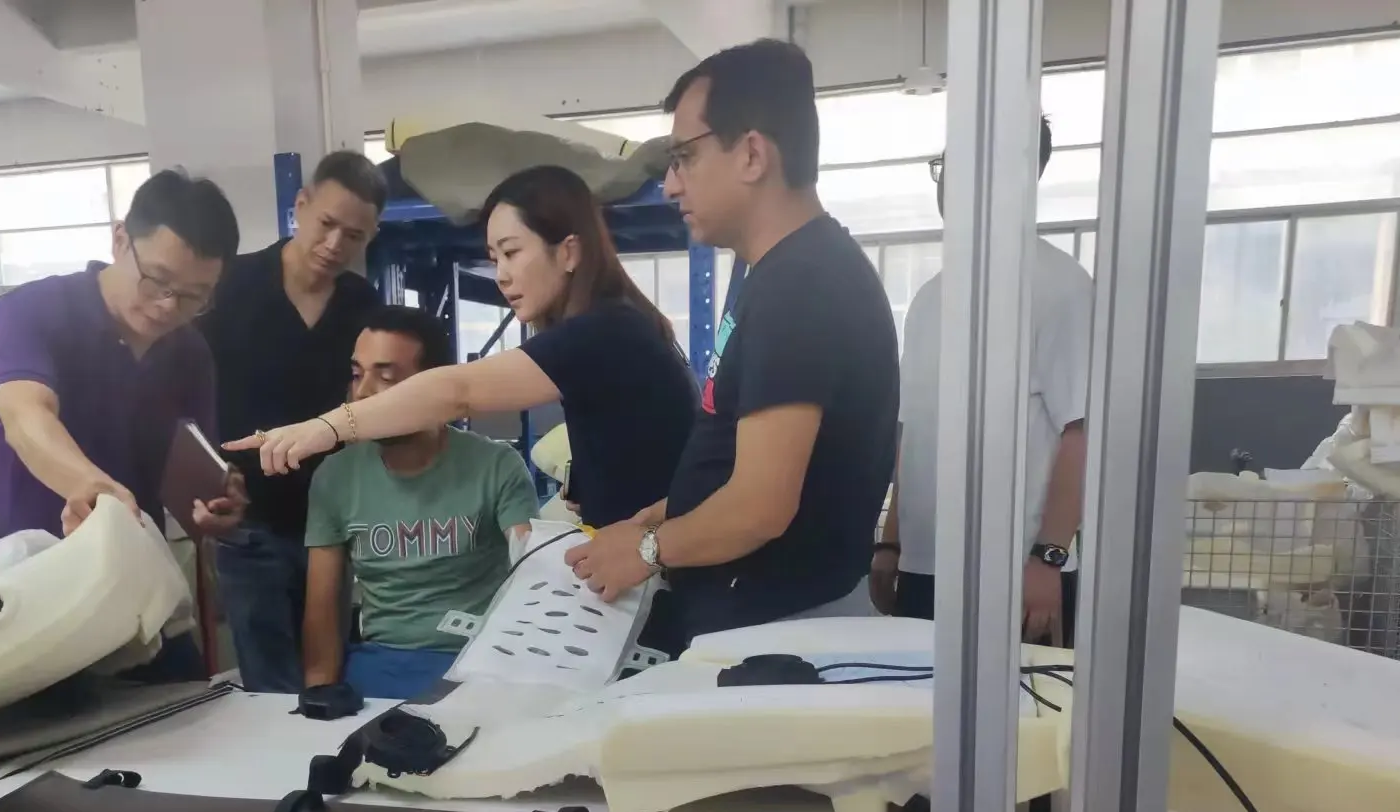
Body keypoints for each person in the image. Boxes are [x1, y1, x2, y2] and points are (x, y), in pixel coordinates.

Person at [564, 39, 900, 641]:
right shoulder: (780, 271)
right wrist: (664, 513)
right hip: (769, 616)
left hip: (781, 630)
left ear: (751, 154)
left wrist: (645, 549)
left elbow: (758, 508)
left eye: (683, 157)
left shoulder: (802, 285)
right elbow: (745, 460)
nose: (671, 185)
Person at [226, 164, 698, 535]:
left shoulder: (604, 331)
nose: (502, 276)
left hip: (660, 568)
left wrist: (325, 428)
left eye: (512, 252)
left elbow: (458, 391)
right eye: (494, 259)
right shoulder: (616, 323)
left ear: (569, 252)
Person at [0, 168, 242, 679]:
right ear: (121, 239)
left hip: (139, 589)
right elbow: (24, 414)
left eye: (194, 296)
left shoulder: (189, 352)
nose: (168, 306)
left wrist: (216, 503)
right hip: (40, 591)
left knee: (192, 707)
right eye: (158, 281)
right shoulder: (31, 312)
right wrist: (90, 489)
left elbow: (193, 468)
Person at [870, 118, 1093, 645]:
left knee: (1024, 700)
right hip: (925, 568)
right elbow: (914, 435)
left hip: (1015, 573)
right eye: (948, 164)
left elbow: (1083, 434)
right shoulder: (928, 300)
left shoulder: (1061, 288)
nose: (952, 179)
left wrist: (1048, 558)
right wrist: (892, 543)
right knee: (916, 696)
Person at [199, 150, 387, 692]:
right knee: (269, 683)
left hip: (331, 522)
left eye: (353, 236)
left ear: (371, 236)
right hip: (248, 519)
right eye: (327, 224)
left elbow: (372, 403)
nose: (334, 245)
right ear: (300, 205)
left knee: (330, 673)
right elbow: (186, 390)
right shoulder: (232, 285)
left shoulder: (362, 304)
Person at [301, 307, 538, 700]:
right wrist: (321, 691)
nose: (362, 394)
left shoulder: (497, 466)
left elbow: (534, 573)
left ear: (435, 386)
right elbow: (322, 606)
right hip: (381, 664)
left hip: (479, 662)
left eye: (386, 377)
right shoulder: (335, 476)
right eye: (357, 374)